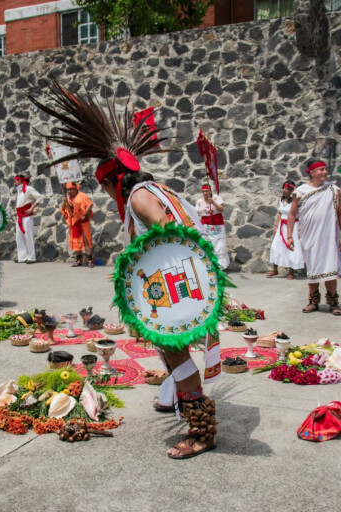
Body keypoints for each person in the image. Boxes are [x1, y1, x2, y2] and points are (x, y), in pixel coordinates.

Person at [28, 81, 220, 460]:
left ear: (113, 180)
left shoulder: (138, 195)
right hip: (182, 286)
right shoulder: (158, 187)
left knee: (177, 353)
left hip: (173, 291)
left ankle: (201, 432)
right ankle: (176, 401)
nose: (104, 194)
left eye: (103, 187)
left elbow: (167, 229)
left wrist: (139, 267)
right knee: (171, 353)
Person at [287, 160, 341, 315]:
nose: (324, 172)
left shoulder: (333, 190)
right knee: (313, 268)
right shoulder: (301, 191)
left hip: (328, 236)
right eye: (321, 169)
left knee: (330, 268)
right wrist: (289, 236)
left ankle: (333, 302)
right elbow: (292, 214)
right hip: (309, 236)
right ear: (312, 172)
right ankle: (313, 301)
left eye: (325, 169)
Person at [267, 180, 304, 279]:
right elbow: (280, 213)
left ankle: (291, 271)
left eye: (287, 188)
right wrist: (276, 226)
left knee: (291, 247)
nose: (284, 190)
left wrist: (299, 229)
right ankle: (275, 269)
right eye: (284, 188)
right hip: (281, 226)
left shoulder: (296, 202)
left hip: (292, 226)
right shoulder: (281, 199)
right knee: (276, 246)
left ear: (291, 189)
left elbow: (298, 215)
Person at [60, 182, 94, 267]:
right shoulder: (67, 199)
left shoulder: (82, 195)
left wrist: (86, 215)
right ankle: (79, 260)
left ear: (76, 189)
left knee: (85, 241)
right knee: (76, 242)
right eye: (68, 190)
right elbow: (63, 210)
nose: (69, 191)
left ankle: (90, 260)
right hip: (74, 223)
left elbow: (89, 205)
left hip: (82, 222)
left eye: (71, 189)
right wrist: (65, 202)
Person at [195, 184, 230, 269]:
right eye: (203, 191)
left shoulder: (216, 198)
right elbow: (197, 213)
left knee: (220, 246)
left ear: (210, 191)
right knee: (209, 245)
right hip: (206, 226)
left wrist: (213, 203)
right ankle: (211, 265)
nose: (205, 193)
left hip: (217, 226)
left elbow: (221, 209)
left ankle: (222, 266)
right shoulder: (199, 201)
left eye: (207, 191)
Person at [14, 174, 42, 263]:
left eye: (16, 180)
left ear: (20, 181)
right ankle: (22, 257)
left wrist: (31, 208)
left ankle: (31, 257)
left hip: (26, 215)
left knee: (28, 236)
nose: (14, 182)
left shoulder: (28, 188)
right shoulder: (19, 191)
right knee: (19, 236)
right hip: (19, 215)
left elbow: (40, 197)